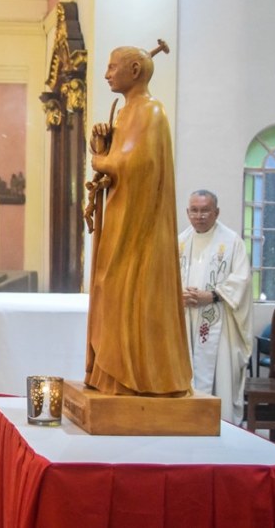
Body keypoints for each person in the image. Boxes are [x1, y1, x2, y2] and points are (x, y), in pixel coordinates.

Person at [85, 44, 192, 396]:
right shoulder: (125, 112)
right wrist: (104, 141)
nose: (106, 74)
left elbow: (135, 165)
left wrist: (102, 159)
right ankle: (110, 374)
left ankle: (132, 377)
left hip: (138, 228)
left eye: (112, 67)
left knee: (124, 289)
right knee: (107, 287)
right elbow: (119, 158)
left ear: (134, 70)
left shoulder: (151, 111)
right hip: (120, 217)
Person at [179, 190, 253, 423]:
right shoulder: (179, 242)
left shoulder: (232, 243)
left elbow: (242, 280)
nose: (199, 216)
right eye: (194, 210)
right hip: (186, 323)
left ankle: (222, 426)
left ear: (216, 212)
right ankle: (189, 424)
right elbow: (164, 278)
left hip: (220, 324)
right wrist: (178, 294)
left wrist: (211, 295)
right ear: (187, 212)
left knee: (220, 377)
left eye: (205, 210)